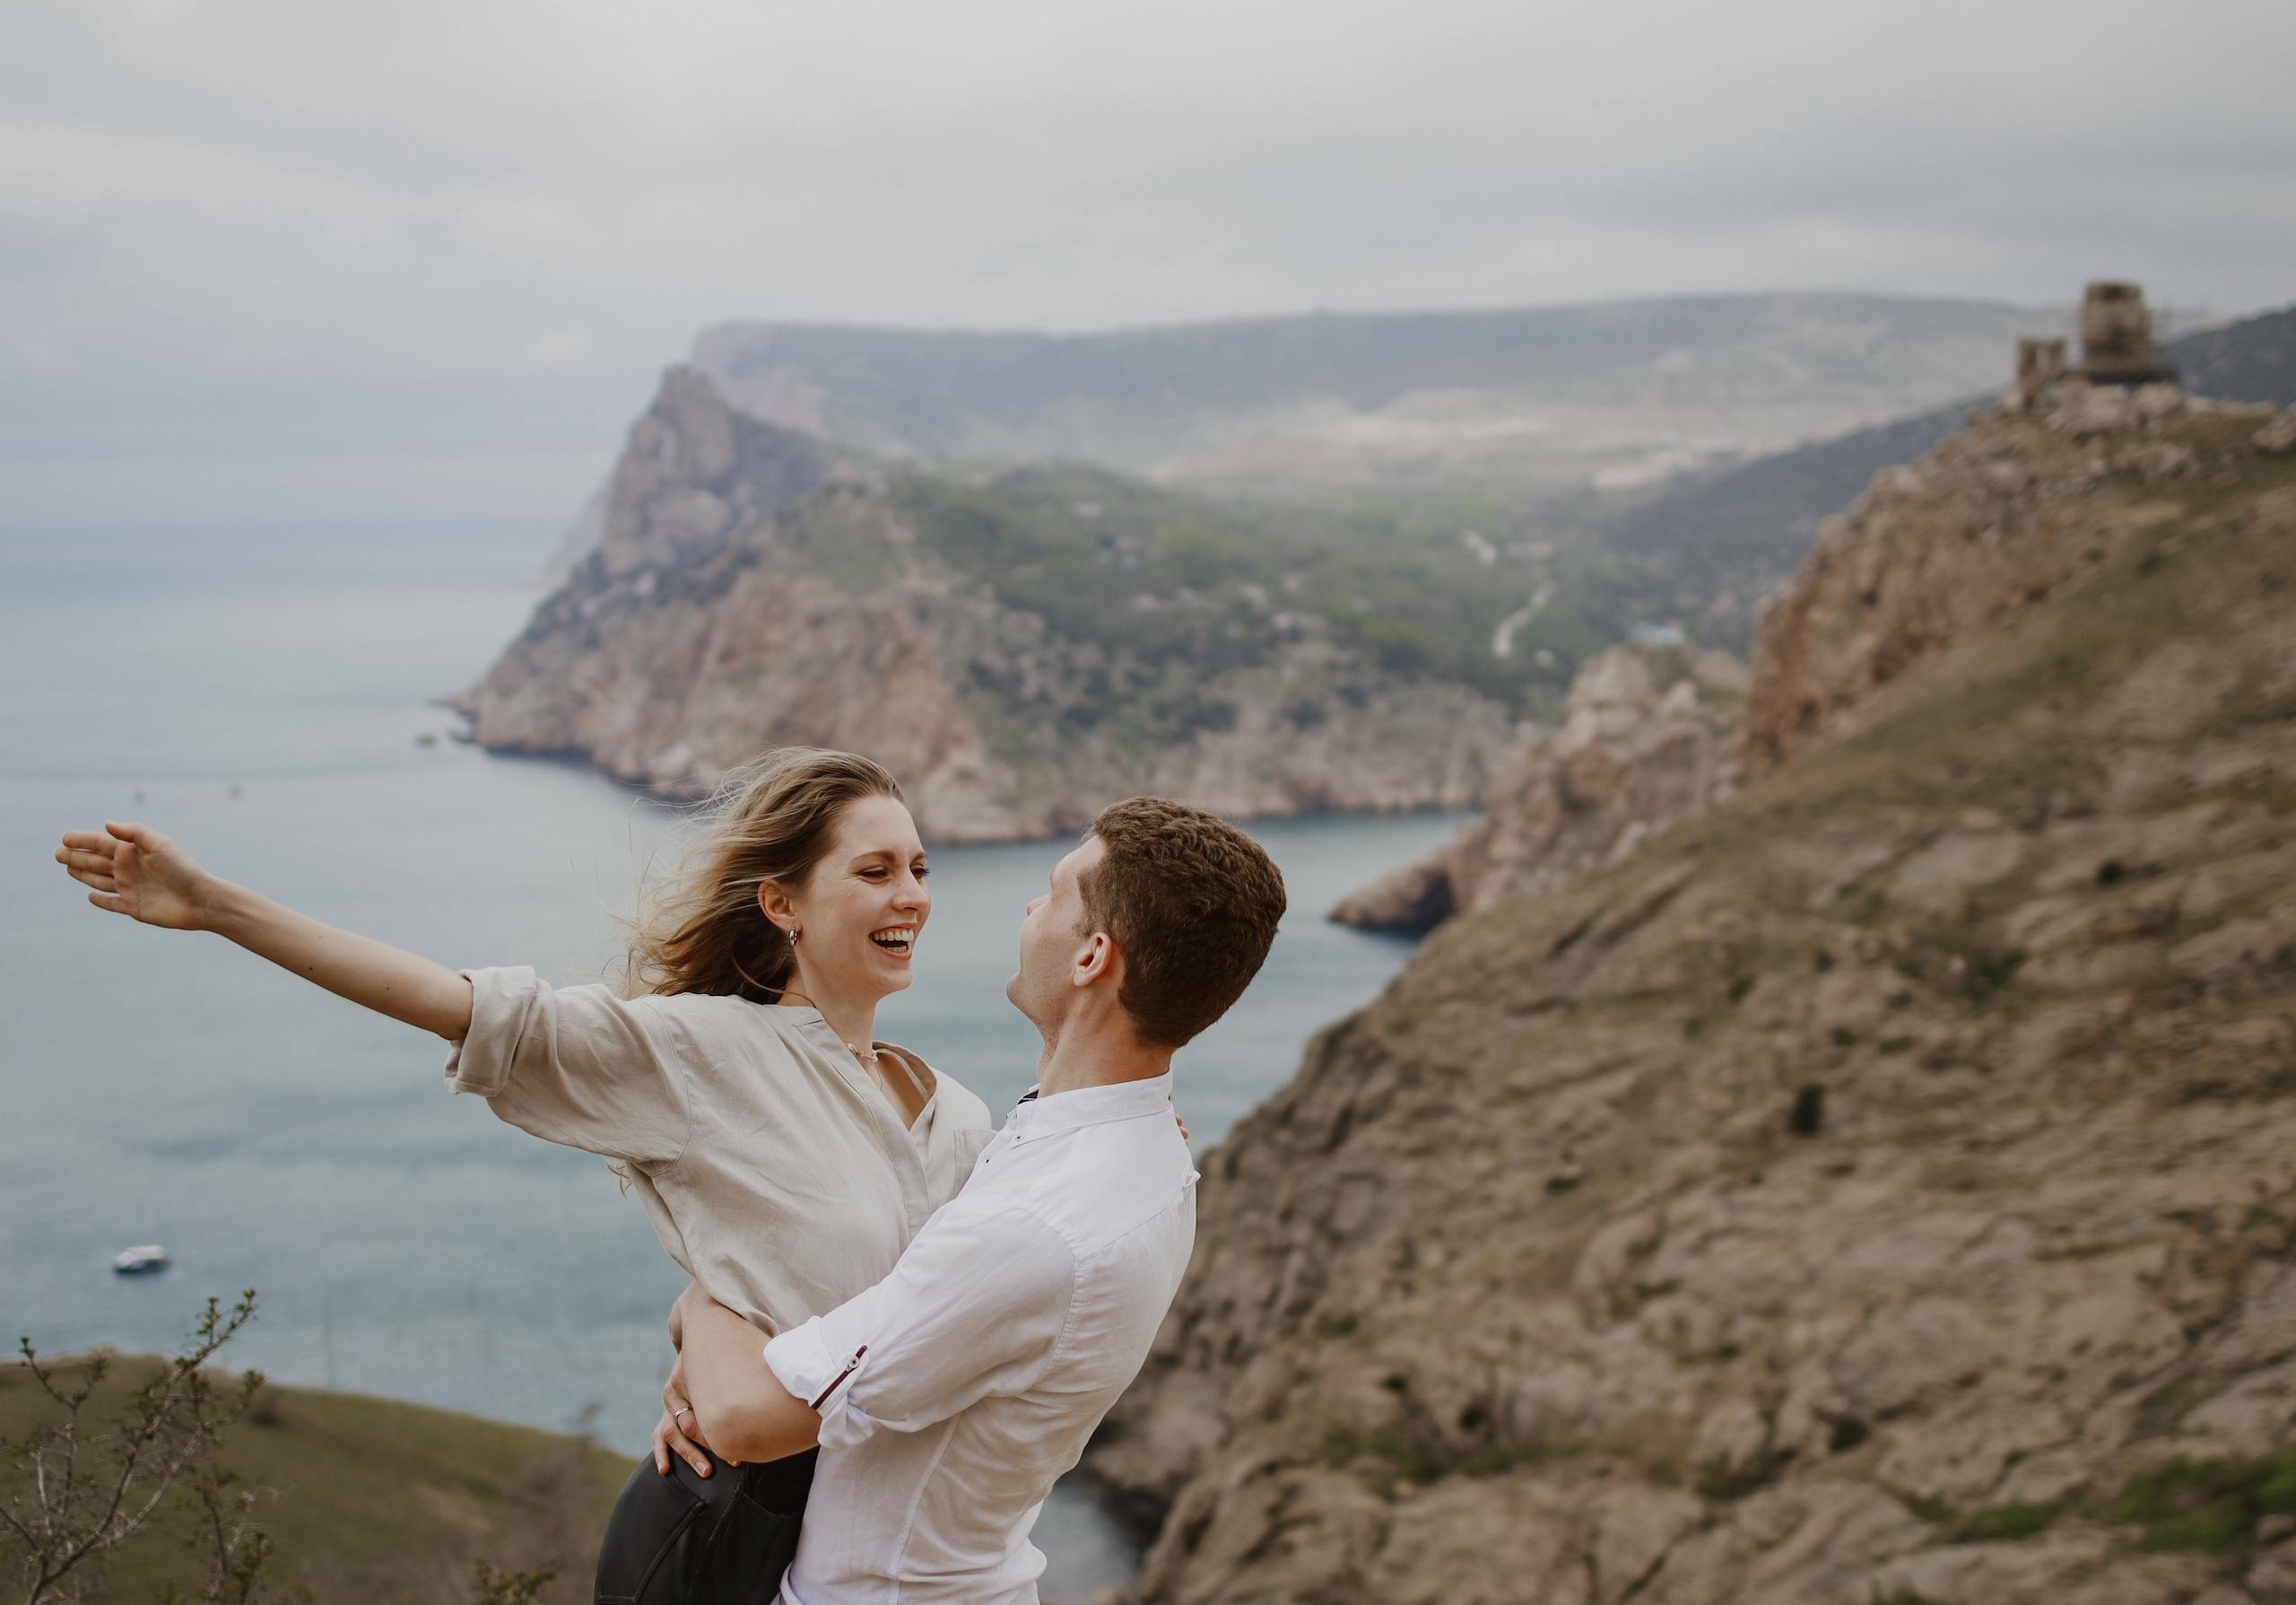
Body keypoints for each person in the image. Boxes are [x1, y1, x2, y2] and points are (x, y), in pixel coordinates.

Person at [54, 747, 996, 1603]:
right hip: (727, 1538)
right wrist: (215, 906)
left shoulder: (956, 1114)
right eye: (873, 872)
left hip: (895, 1548)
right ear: (781, 903)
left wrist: (703, 1316)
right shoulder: (698, 1053)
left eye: (918, 868)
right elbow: (462, 1008)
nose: (910, 894)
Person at [651, 796, 1287, 1605]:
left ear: (1092, 956)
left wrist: (711, 1290)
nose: (1030, 907)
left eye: (1054, 894)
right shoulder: (1142, 1145)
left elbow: (746, 1416)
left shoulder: (1037, 1224)